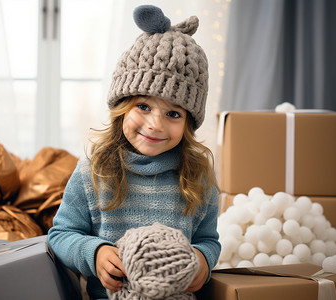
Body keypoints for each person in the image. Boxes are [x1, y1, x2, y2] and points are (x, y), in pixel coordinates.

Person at [48, 5, 220, 300]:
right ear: (121, 106)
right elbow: (61, 235)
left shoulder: (197, 178)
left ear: (189, 122)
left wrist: (203, 262)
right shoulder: (93, 173)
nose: (155, 124)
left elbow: (208, 240)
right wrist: (95, 253)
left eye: (173, 114)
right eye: (143, 106)